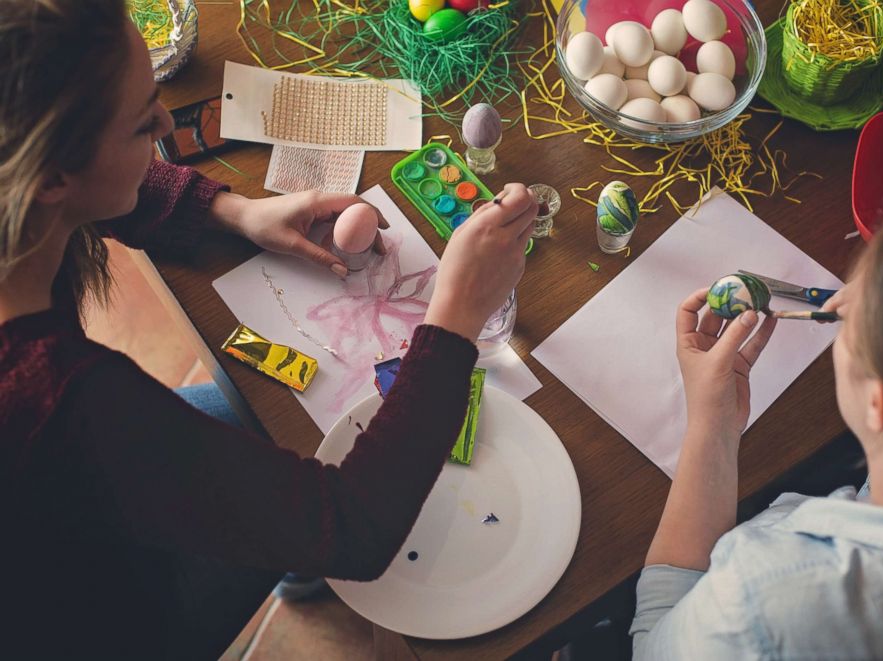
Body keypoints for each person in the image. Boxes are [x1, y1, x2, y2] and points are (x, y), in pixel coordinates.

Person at [0, 1, 537, 658]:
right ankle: (295, 573)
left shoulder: (21, 197)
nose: (168, 125)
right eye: (144, 122)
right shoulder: (61, 402)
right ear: (51, 175)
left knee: (251, 422)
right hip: (92, 613)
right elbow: (353, 528)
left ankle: (296, 573)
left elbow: (99, 186)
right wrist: (454, 315)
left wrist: (234, 212)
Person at [630, 197, 883, 659]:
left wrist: (710, 425)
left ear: (881, 404)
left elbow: (655, 644)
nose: (843, 300)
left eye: (851, 326)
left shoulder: (767, 603)